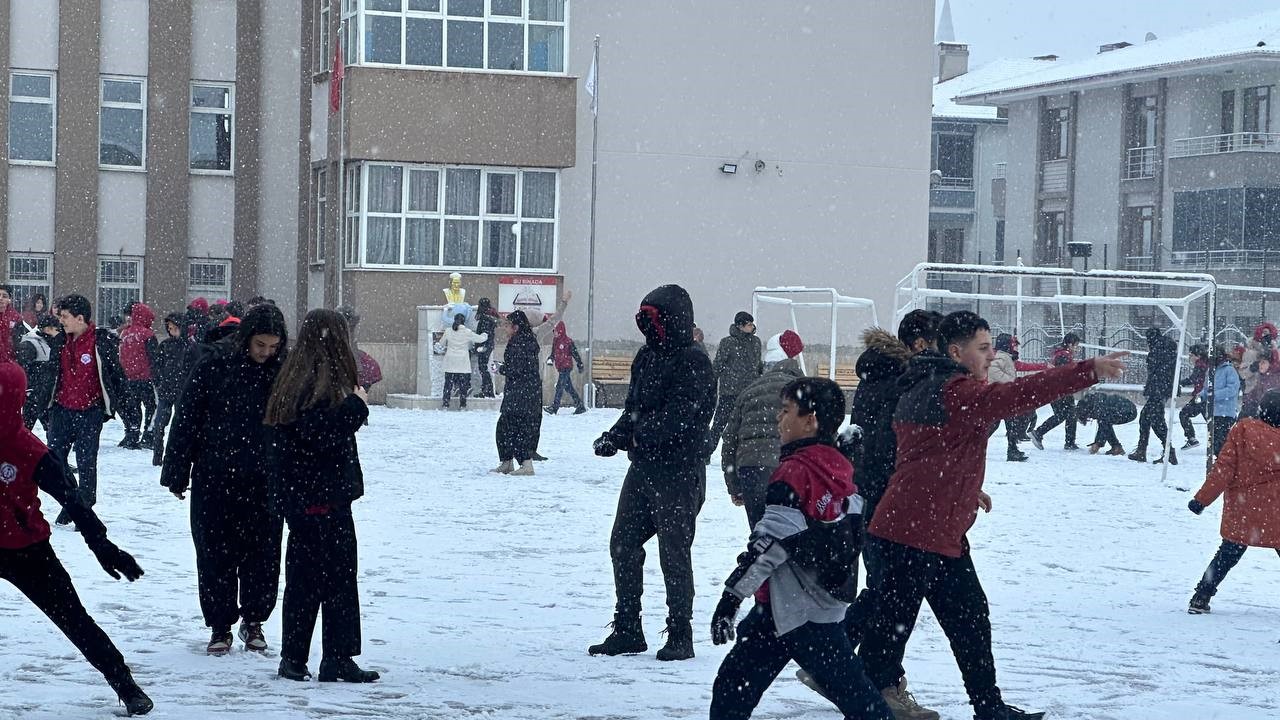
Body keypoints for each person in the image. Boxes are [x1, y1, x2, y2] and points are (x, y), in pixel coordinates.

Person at [859, 310, 1126, 720]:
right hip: (911, 532)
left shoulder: (924, 382)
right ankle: (861, 697)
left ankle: (988, 707)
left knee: (966, 619)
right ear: (955, 352)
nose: (991, 356)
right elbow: (1017, 395)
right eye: (983, 348)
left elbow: (928, 452)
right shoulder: (953, 390)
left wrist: (965, 488)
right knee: (892, 630)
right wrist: (1086, 370)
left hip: (931, 528)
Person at [708, 377, 894, 720]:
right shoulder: (840, 468)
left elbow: (770, 545)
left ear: (810, 421)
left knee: (734, 693)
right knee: (733, 688)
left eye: (786, 411)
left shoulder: (793, 472)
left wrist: (731, 597)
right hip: (806, 607)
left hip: (796, 612)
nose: (778, 419)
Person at [0, 361, 153, 716]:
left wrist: (102, 546)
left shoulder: (30, 450)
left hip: (26, 551)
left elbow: (74, 502)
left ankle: (125, 685)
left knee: (73, 619)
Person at [818, 312, 942, 720]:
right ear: (921, 345)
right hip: (889, 499)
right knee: (893, 593)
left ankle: (832, 660)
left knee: (886, 589)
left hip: (871, 495)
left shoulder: (879, 376)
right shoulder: (903, 382)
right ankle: (875, 679)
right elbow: (896, 448)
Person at [588, 284, 715, 662]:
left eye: (654, 320)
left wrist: (635, 436)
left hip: (679, 471)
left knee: (673, 552)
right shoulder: (646, 356)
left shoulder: (694, 361)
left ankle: (680, 633)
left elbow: (679, 417)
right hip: (643, 469)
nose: (648, 327)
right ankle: (628, 627)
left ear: (673, 321)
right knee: (623, 543)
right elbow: (634, 409)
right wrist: (615, 436)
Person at [160, 304, 289, 655]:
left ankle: (254, 619)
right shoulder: (214, 365)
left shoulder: (283, 372)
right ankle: (220, 625)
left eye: (273, 346)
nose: (266, 352)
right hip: (216, 476)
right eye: (260, 344)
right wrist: (176, 472)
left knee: (263, 554)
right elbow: (187, 419)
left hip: (265, 480)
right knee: (214, 553)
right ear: (246, 338)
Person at [264, 309, 379, 684]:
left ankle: (306, 657)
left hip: (308, 497)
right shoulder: (315, 381)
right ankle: (329, 657)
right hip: (321, 497)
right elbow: (320, 434)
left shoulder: (296, 376)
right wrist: (356, 405)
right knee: (333, 580)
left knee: (311, 580)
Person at [1186, 389, 1280, 614]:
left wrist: (1201, 500)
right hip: (1276, 511)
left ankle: (1201, 596)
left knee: (1227, 554)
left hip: (1243, 509)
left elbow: (1223, 470)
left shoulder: (1242, 431)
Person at [47, 294, 126, 526]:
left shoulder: (101, 342)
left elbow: (116, 378)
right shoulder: (60, 341)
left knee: (86, 462)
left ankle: (84, 503)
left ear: (80, 318)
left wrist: (114, 407)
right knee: (55, 461)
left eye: (65, 316)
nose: (61, 321)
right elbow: (50, 376)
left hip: (89, 412)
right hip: (61, 410)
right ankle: (74, 501)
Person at [720, 330, 805, 528]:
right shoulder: (801, 390)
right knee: (791, 535)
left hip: (751, 470)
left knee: (760, 535)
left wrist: (734, 485)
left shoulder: (748, 392)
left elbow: (730, 439)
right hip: (788, 471)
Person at [492, 310, 541, 476]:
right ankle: (507, 462)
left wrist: (500, 368)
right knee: (506, 427)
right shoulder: (522, 340)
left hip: (522, 393)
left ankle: (526, 464)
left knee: (518, 429)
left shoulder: (521, 343)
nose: (505, 328)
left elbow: (517, 368)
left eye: (507, 325)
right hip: (521, 392)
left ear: (516, 327)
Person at [709, 312, 764, 457]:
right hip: (730, 392)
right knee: (719, 425)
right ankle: (706, 453)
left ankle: (744, 455)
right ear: (740, 326)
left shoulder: (755, 342)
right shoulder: (728, 343)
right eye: (749, 324)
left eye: (752, 323)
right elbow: (718, 365)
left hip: (749, 392)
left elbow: (758, 365)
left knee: (747, 426)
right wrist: (711, 383)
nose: (752, 326)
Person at [990, 333, 1047, 462]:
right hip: (999, 397)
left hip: (1003, 396)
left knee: (1009, 424)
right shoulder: (1001, 356)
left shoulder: (1006, 357)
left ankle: (1012, 450)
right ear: (1007, 345)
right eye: (1013, 344)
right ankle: (972, 446)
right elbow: (993, 371)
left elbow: (1021, 367)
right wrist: (1012, 382)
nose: (1015, 347)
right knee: (995, 425)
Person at [1129, 328, 1179, 465]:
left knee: (1156, 421)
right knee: (1146, 417)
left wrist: (1153, 388)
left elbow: (1156, 372)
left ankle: (1168, 452)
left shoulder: (1158, 349)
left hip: (1158, 390)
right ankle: (1143, 450)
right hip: (1161, 389)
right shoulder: (1165, 348)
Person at [117, 302, 159, 450]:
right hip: (146, 378)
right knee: (151, 407)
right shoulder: (148, 334)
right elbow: (154, 357)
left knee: (133, 408)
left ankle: (132, 434)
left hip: (129, 378)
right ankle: (148, 435)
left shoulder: (124, 333)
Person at [1030, 333, 1081, 451]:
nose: (1077, 348)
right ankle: (1039, 433)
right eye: (1076, 345)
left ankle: (1069, 442)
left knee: (1069, 414)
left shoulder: (1062, 354)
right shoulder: (1063, 356)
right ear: (1070, 344)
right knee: (1065, 414)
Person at [149, 313, 188, 466]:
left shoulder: (189, 347)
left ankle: (177, 456)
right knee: (159, 425)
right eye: (170, 328)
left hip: (182, 392)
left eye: (175, 328)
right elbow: (156, 366)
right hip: (166, 391)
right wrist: (159, 382)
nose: (172, 331)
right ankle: (157, 455)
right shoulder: (165, 345)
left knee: (180, 426)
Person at [17, 313, 61, 432]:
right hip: (35, 393)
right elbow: (25, 369)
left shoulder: (51, 342)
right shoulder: (30, 343)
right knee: (26, 428)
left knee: (50, 429)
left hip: (46, 393)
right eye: (56, 329)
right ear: (47, 329)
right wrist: (30, 390)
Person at [441, 312, 487, 410]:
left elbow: (441, 343)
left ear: (454, 320)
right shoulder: (467, 332)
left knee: (448, 384)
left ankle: (445, 405)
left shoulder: (448, 331)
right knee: (463, 386)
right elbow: (480, 339)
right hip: (463, 362)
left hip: (450, 362)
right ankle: (462, 405)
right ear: (464, 321)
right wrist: (485, 334)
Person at [1203, 345, 1242, 457]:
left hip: (1226, 413)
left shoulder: (1229, 370)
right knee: (1214, 443)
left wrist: (1213, 395)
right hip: (1213, 412)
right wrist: (1201, 395)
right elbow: (1206, 388)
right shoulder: (1210, 371)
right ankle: (1221, 462)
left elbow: (1232, 390)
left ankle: (1225, 462)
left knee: (1221, 444)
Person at [545, 321, 586, 415]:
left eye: (556, 331)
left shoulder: (568, 342)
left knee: (559, 387)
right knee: (569, 388)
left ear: (560, 331)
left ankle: (554, 407)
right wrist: (550, 359)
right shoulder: (555, 341)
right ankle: (580, 406)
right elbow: (553, 353)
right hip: (560, 367)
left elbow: (575, 354)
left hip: (566, 367)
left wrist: (580, 364)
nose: (554, 333)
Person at [1178, 345, 1210, 449]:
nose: (1189, 358)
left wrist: (1180, 382)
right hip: (1203, 396)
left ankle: (1191, 438)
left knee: (1184, 414)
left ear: (1198, 355)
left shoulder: (1200, 365)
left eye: (1191, 355)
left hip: (1200, 396)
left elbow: (1193, 379)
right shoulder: (1205, 363)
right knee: (1210, 420)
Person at [474, 298, 498, 398]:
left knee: (483, 368)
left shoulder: (485, 318)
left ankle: (487, 390)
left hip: (484, 346)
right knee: (484, 368)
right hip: (488, 345)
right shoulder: (490, 316)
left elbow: (484, 334)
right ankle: (487, 390)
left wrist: (480, 346)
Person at [0, 284, 23, 362]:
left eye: (4, 296)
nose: (0, 298)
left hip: (10, 358)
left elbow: (18, 339)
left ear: (9, 299)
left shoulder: (15, 316)